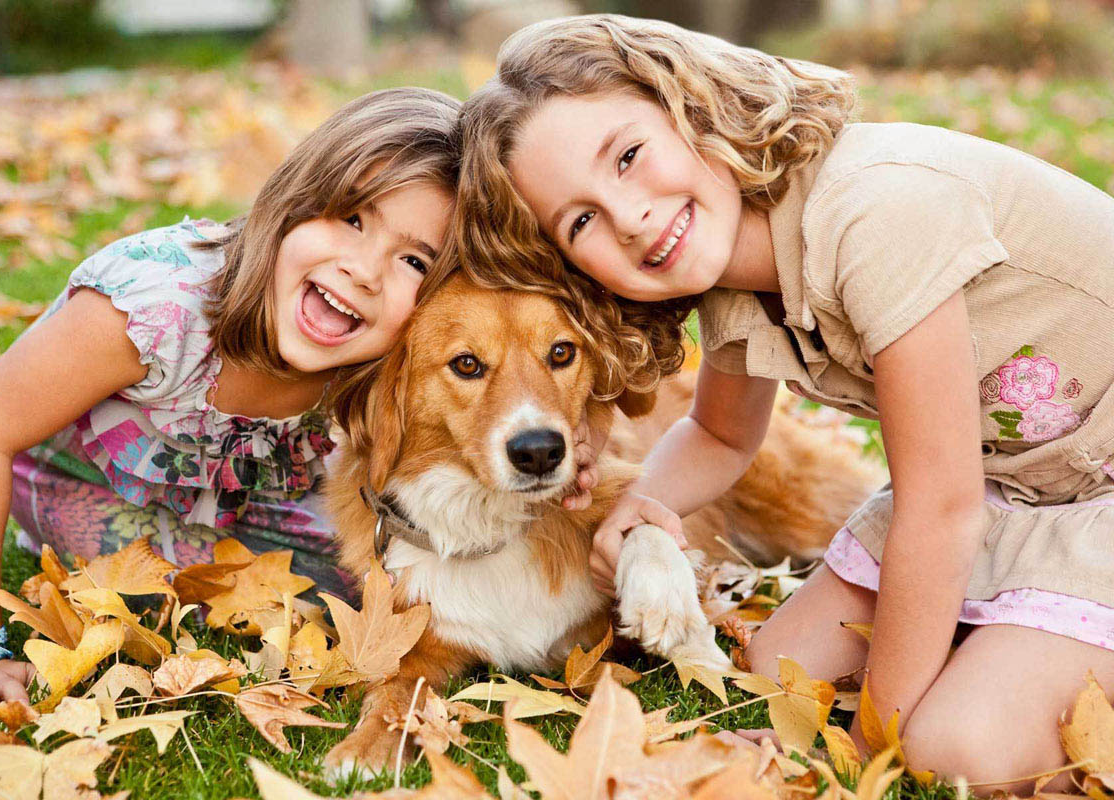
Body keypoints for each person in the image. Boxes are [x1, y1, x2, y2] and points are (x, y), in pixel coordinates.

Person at [455, 13, 1114, 792]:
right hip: (1017, 484)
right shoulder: (732, 282)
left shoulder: (878, 215)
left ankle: (1026, 662)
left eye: (629, 156)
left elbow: (940, 509)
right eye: (583, 220)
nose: (630, 216)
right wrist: (647, 504)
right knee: (778, 669)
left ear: (690, 105)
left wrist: (879, 734)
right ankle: (1029, 646)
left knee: (947, 749)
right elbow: (719, 435)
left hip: (1052, 489)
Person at [0, 87, 462, 709]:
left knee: (368, 579)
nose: (366, 271)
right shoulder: (154, 311)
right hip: (72, 482)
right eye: (352, 218)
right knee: (321, 592)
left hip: (243, 499)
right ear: (292, 201)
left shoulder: (382, 351)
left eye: (416, 262)